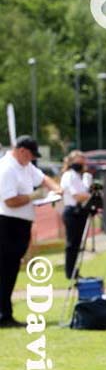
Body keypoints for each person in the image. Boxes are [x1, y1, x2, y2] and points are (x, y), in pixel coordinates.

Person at [0, 136, 61, 327]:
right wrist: (33, 196)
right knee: (5, 270)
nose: (32, 159)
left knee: (11, 269)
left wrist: (57, 190)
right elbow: (10, 201)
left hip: (21, 223)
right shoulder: (7, 168)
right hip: (8, 223)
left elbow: (43, 178)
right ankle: (3, 314)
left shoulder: (25, 165)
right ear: (22, 151)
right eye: (30, 155)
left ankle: (5, 313)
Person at [60, 150, 91, 279]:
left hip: (81, 212)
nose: (81, 164)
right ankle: (70, 272)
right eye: (78, 161)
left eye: (82, 161)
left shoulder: (81, 176)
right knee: (72, 243)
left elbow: (85, 192)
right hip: (72, 212)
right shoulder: (68, 175)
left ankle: (74, 271)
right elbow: (77, 196)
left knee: (78, 244)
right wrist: (90, 196)